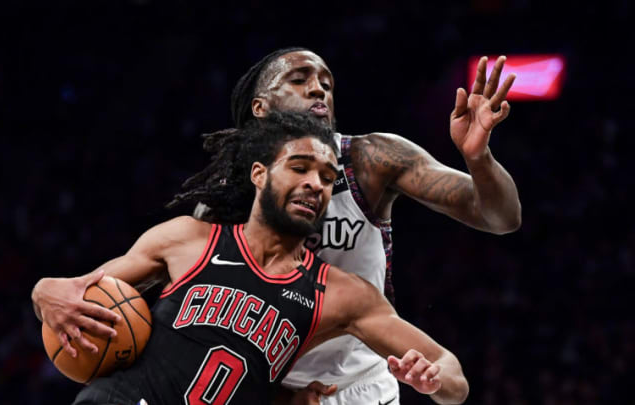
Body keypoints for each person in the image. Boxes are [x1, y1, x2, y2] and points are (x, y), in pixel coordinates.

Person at [32, 112, 469, 405]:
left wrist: (431, 379)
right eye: (299, 168)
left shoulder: (341, 294)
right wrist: (43, 290)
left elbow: (454, 377)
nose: (316, 184)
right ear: (259, 174)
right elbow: (73, 293)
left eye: (327, 177)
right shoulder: (187, 239)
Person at [199, 47, 522, 404]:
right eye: (299, 79)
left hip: (360, 383)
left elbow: (502, 218)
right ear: (259, 108)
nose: (319, 89)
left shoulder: (369, 158)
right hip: (270, 388)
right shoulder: (227, 196)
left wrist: (479, 158)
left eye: (326, 83)